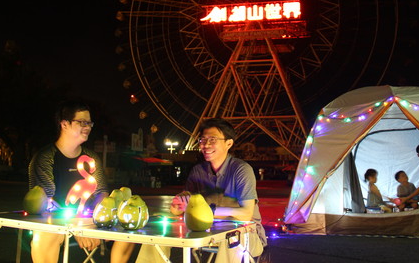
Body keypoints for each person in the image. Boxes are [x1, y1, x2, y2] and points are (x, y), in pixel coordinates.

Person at [111, 118, 267, 263]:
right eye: (202, 140)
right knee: (159, 232)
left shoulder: (241, 170)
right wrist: (178, 205)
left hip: (247, 233)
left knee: (232, 239)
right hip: (211, 229)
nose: (205, 145)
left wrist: (208, 211)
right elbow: (182, 205)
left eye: (212, 140)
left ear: (229, 143)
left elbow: (246, 213)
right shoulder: (198, 171)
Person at [28, 100, 109, 263]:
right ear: (64, 124)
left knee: (130, 233)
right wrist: (74, 226)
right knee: (44, 237)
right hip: (55, 220)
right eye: (82, 122)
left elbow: (101, 194)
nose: (88, 127)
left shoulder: (92, 158)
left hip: (89, 219)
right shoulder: (45, 157)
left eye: (89, 123)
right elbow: (45, 201)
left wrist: (90, 221)